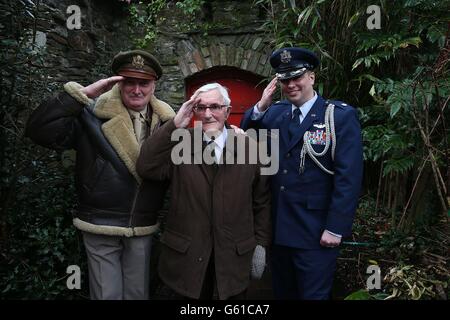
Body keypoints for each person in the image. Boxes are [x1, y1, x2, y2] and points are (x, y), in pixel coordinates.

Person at [25, 49, 176, 300]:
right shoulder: (91, 113)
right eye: (130, 82)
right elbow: (39, 130)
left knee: (138, 294)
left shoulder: (168, 120)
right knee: (108, 295)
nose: (137, 90)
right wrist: (80, 96)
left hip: (143, 223)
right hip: (100, 223)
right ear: (117, 82)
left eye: (144, 83)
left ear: (154, 85)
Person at [240, 47, 363, 299]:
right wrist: (261, 106)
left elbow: (348, 177)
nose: (291, 85)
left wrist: (336, 227)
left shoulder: (337, 116)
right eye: (285, 80)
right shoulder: (275, 114)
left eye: (297, 77)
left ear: (312, 77)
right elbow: (246, 136)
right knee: (283, 294)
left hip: (316, 232)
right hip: (280, 229)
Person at [136, 83, 271, 300]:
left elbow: (261, 201)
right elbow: (146, 166)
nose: (208, 114)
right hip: (186, 260)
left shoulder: (252, 149)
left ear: (227, 111)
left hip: (233, 260)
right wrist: (175, 124)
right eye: (200, 107)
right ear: (192, 110)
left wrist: (261, 244)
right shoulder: (180, 142)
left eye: (215, 107)